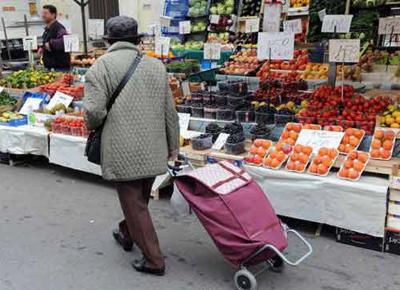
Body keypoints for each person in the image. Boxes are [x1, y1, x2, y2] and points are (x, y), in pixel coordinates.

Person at [83, 16, 180, 276]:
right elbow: (170, 111)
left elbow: (93, 113)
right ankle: (127, 233)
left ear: (108, 41)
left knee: (134, 203)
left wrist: (95, 122)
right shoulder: (156, 67)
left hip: (121, 147)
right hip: (154, 147)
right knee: (139, 200)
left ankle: (154, 260)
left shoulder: (99, 68)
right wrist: (173, 146)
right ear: (138, 40)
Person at [39, 5, 70, 70]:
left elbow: (65, 41)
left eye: (45, 13)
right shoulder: (48, 29)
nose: (43, 15)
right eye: (42, 13)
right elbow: (47, 41)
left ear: (53, 15)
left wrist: (51, 44)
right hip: (51, 66)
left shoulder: (59, 28)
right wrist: (42, 47)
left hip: (59, 67)